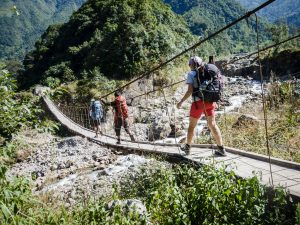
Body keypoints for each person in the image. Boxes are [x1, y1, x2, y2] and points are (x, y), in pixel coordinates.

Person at [176, 56, 226, 156]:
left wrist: (181, 101)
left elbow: (190, 91)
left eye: (189, 64)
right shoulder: (207, 71)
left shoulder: (191, 74)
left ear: (192, 64)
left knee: (192, 126)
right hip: (210, 102)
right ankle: (221, 148)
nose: (189, 66)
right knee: (212, 125)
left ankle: (187, 148)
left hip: (198, 104)